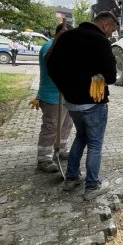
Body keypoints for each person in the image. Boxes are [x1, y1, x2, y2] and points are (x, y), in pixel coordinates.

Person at [47, 12, 118, 200]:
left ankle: (71, 178)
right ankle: (92, 186)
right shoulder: (100, 41)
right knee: (95, 143)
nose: (111, 34)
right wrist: (98, 77)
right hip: (93, 104)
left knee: (81, 136)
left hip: (72, 103)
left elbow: (51, 65)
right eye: (112, 29)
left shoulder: (67, 36)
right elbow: (111, 76)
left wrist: (66, 88)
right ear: (104, 24)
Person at [31, 23, 74, 173]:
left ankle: (62, 149)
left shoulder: (66, 46)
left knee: (66, 125)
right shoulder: (49, 46)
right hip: (52, 97)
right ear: (60, 35)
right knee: (51, 128)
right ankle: (44, 159)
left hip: (67, 96)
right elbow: (53, 64)